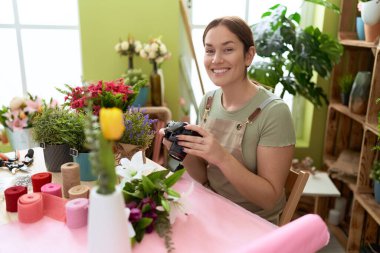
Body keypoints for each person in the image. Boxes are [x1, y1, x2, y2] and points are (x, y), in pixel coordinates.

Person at [161, 16, 295, 224]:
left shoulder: (275, 112)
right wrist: (181, 149)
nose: (216, 60)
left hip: (254, 222)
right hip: (213, 205)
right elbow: (204, 177)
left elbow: (269, 199)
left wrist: (221, 157)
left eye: (228, 49)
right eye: (210, 50)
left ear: (248, 56)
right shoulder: (208, 101)